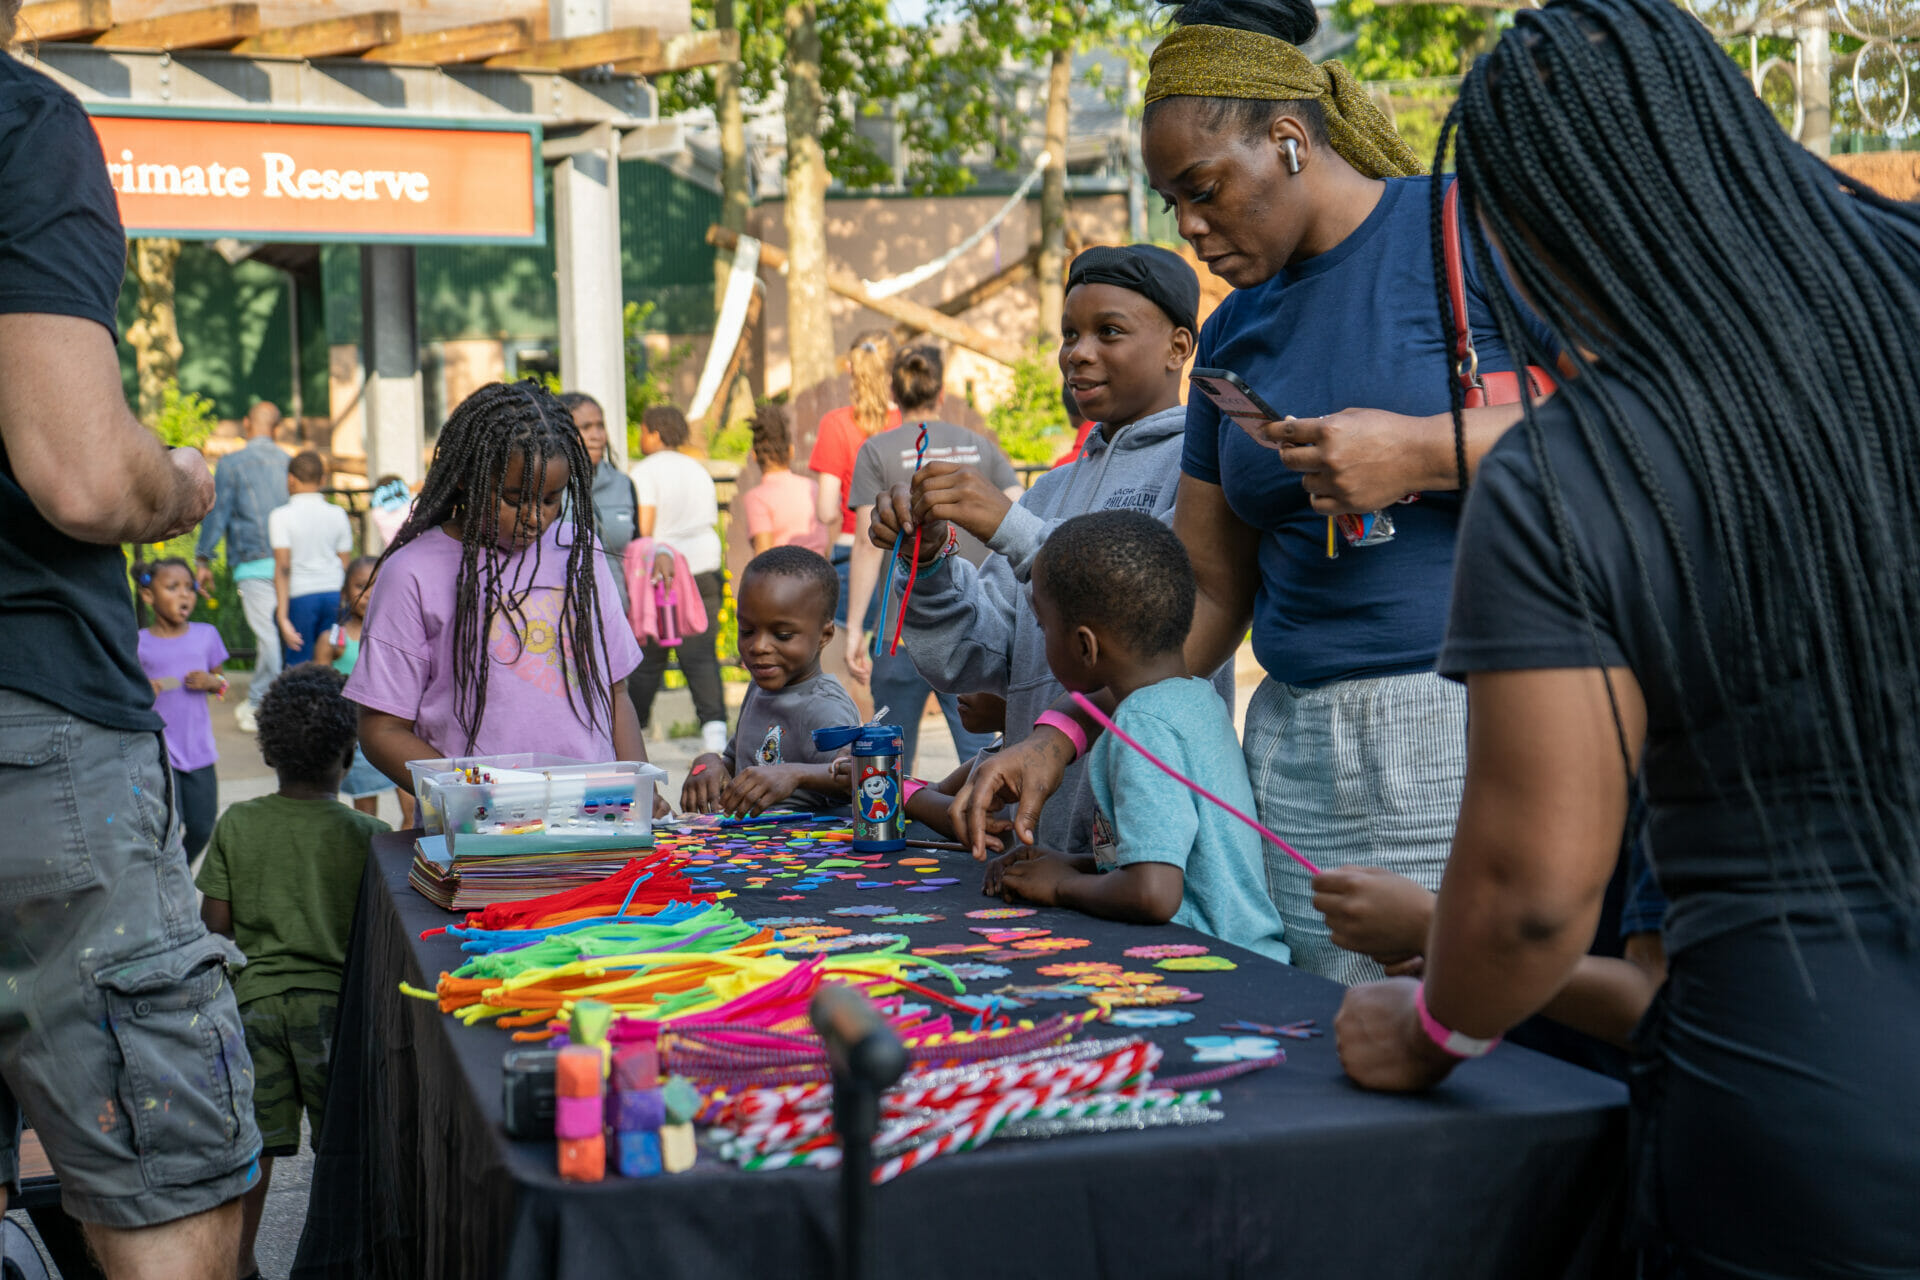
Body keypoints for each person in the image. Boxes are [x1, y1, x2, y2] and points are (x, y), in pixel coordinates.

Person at [1330, 2, 1920, 1277]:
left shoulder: (1579, 469)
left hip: (1809, 1121)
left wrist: (1433, 1029)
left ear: (1529, 236)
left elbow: (1536, 898)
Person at [951, 0, 1558, 984]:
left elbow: (1633, 422)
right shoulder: (1233, 333)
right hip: (1292, 752)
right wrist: (1065, 734)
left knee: (1467, 1042)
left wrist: (1421, 451)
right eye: (1171, 203)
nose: (1190, 230)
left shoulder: (1464, 236)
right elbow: (1202, 592)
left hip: (1471, 725)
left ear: (1285, 141)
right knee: (1323, 1046)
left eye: (1203, 189)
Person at [1, 9, 260, 1271]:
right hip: (33, 738)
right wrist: (184, 480)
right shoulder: (23, 121)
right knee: (178, 1202)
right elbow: (85, 480)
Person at [874, 244, 1232, 857]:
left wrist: (1009, 526)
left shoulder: (1197, 472)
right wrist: (929, 562)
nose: (1078, 352)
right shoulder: (1052, 489)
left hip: (1151, 837)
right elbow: (970, 657)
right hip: (1035, 833)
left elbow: (1149, 621)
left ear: (1179, 347)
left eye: (1108, 331)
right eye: (1069, 333)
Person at [981, 512, 1288, 962]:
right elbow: (1173, 859)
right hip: (1244, 958)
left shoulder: (1141, 726)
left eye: (1044, 626)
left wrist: (1063, 887)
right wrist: (1067, 863)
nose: (1042, 637)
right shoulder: (1193, 698)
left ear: (1085, 646)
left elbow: (1154, 893)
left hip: (1211, 965)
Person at [346, 381, 655, 800]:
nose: (534, 517)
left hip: (594, 815)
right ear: (464, 480)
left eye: (550, 499)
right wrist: (465, 797)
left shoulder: (580, 551)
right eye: (514, 498)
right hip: (478, 833)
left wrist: (637, 787)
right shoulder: (412, 572)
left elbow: (614, 692)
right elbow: (380, 727)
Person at [196, 663, 389, 1280]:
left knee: (254, 1154)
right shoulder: (369, 835)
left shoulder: (238, 824)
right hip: (338, 1015)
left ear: (269, 749)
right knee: (345, 1151)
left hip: (254, 1013)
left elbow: (216, 922)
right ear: (350, 750)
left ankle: (242, 1264)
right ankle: (348, 1259)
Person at [847, 345, 1019, 772]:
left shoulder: (877, 449)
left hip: (903, 628)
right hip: (974, 625)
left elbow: (868, 544)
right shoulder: (979, 445)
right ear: (941, 391)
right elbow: (1017, 514)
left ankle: (889, 834)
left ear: (894, 391)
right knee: (982, 762)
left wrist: (855, 627)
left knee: (889, 764)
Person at [682, 546, 859, 816]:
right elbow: (737, 760)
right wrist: (709, 763)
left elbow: (856, 775)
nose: (759, 646)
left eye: (783, 635)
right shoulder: (758, 688)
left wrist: (796, 775)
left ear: (824, 635)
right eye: (747, 631)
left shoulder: (823, 706)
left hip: (806, 851)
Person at [627, 405, 728, 755]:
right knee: (701, 657)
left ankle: (631, 733)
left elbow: (645, 529)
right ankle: (715, 738)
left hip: (663, 574)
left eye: (642, 430)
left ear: (654, 433)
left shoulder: (644, 472)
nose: (640, 437)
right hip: (704, 566)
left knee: (647, 658)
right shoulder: (696, 468)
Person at [196, 400, 291, 733]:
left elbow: (217, 513)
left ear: (247, 425)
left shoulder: (231, 463)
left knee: (268, 635)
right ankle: (275, 698)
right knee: (282, 633)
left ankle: (260, 701)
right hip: (291, 563)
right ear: (276, 428)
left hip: (253, 563)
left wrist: (203, 558)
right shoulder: (290, 463)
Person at [134, 557, 230, 860]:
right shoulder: (138, 644)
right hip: (159, 752)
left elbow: (223, 681)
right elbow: (125, 695)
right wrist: (141, 692)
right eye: (173, 587)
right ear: (148, 596)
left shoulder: (206, 635)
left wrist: (212, 682)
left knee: (203, 825)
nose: (185, 594)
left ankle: (178, 872)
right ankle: (168, 879)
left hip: (199, 749)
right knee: (167, 828)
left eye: (190, 587)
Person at [808, 330, 903, 628]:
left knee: (847, 665)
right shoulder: (910, 422)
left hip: (851, 555)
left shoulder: (836, 424)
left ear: (851, 368)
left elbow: (825, 510)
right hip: (904, 554)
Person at [316, 556, 416, 827]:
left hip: (400, 731)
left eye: (377, 584)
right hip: (357, 737)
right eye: (361, 585)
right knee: (366, 813)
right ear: (345, 592)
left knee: (413, 810)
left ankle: (405, 866)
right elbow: (320, 689)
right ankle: (371, 866)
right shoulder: (334, 639)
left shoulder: (403, 633)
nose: (369, 593)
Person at [562, 391, 639, 615]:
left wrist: (661, 551)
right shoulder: (549, 489)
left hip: (618, 617)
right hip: (565, 619)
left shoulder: (623, 484)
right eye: (585, 427)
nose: (597, 435)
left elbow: (637, 544)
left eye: (600, 426)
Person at [271, 449, 353, 661]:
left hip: (300, 598)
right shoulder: (338, 514)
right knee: (330, 663)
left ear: (290, 480)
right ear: (323, 479)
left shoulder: (280, 516)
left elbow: (283, 567)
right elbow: (346, 565)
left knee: (299, 667)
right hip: (334, 597)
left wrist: (282, 616)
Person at [741, 403, 828, 555]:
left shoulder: (757, 498)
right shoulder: (812, 487)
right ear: (791, 451)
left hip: (784, 576)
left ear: (754, 455)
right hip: (820, 572)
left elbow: (764, 553)